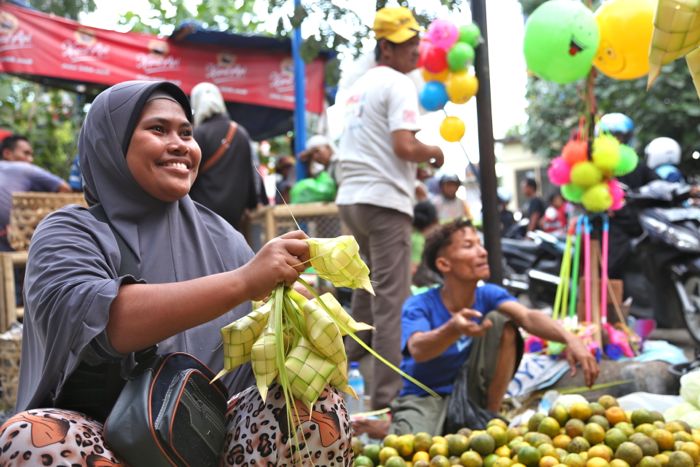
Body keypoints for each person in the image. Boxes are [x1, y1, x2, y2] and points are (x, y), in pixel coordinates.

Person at [0, 81, 351, 464]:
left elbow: (263, 348)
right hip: (105, 446)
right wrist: (244, 282)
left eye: (186, 132)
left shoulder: (223, 237)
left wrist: (298, 322)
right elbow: (107, 320)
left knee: (315, 405)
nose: (181, 144)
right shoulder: (70, 231)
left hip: (216, 441)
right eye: (158, 129)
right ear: (111, 142)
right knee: (31, 438)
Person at [354, 219, 599, 436]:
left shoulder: (489, 295)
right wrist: (452, 329)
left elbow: (528, 317)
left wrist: (571, 339)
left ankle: (489, 416)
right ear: (444, 264)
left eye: (480, 244)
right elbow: (418, 349)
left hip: (472, 394)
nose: (482, 252)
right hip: (427, 396)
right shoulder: (419, 305)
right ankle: (388, 428)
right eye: (469, 246)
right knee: (412, 446)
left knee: (502, 321)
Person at [334, 6, 444, 410]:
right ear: (385, 47)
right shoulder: (399, 83)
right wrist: (432, 152)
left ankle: (335, 381)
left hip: (352, 201)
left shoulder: (357, 88)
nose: (416, 50)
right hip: (383, 204)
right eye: (407, 43)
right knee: (390, 303)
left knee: (364, 299)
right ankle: (384, 402)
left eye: (417, 41)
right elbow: (403, 145)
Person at [189, 82, 263, 231]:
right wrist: (253, 203)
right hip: (234, 217)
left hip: (203, 216)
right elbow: (251, 173)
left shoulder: (198, 134)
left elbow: (189, 176)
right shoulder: (241, 132)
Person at [0, 134, 71, 251]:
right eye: (26, 153)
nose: (30, 159)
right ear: (7, 153)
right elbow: (65, 189)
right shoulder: (25, 169)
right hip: (10, 241)